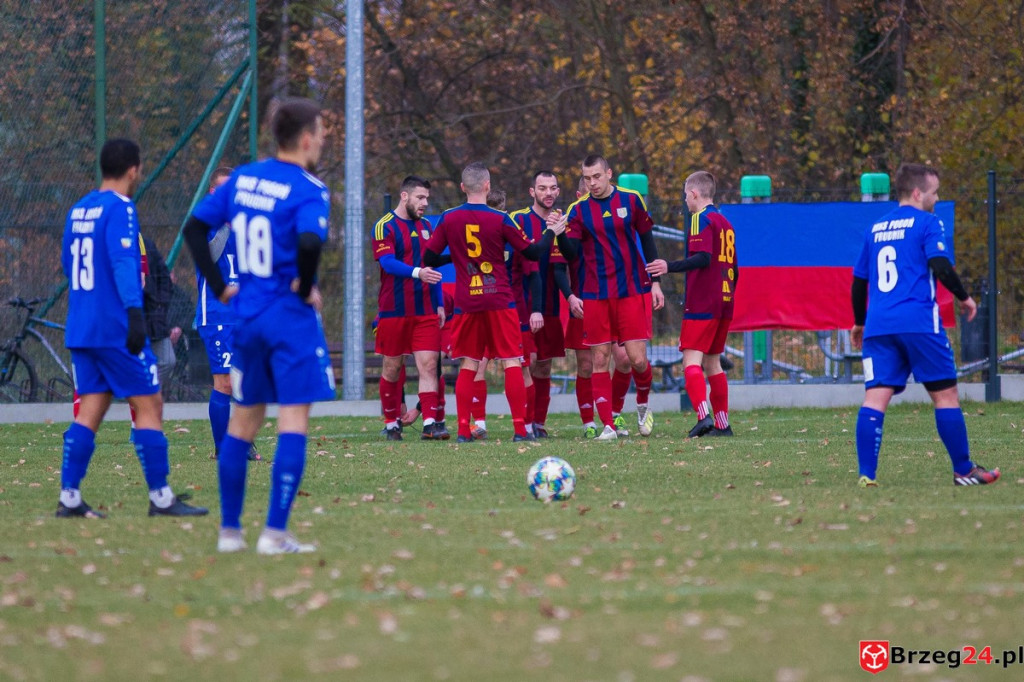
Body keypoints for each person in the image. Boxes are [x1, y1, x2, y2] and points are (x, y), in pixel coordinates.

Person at [184, 97, 335, 554]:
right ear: (307, 138)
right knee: (292, 420)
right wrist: (305, 286)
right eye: (323, 134)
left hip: (245, 318)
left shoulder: (244, 178)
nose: (323, 142)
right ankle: (274, 533)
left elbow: (193, 229)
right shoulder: (309, 187)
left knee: (243, 422)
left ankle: (230, 533)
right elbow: (309, 241)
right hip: (289, 320)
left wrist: (219, 287)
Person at [57, 138, 208, 519]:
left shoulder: (78, 210)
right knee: (150, 404)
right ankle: (161, 498)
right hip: (114, 328)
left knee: (90, 408)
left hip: (81, 327)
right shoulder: (121, 208)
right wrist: (134, 314)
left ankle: (70, 498)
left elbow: (67, 262)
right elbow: (126, 263)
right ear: (133, 169)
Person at [849, 163, 998, 487]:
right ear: (917, 193)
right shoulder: (928, 222)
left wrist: (860, 322)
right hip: (918, 322)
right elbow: (940, 263)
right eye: (934, 192)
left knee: (875, 398)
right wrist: (964, 297)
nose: (937, 197)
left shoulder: (875, 228)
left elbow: (859, 282)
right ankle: (963, 470)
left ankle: (866, 475)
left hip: (879, 326)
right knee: (946, 396)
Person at [423, 162, 561, 442]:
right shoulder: (501, 219)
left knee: (470, 363)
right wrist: (552, 231)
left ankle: (463, 430)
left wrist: (458, 259)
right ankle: (520, 430)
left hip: (467, 302)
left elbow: (428, 259)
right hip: (499, 299)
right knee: (511, 361)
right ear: (487, 186)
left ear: (463, 188)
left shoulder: (448, 218)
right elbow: (532, 252)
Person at [550, 155, 663, 441]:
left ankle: (642, 405)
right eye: (587, 179)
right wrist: (560, 233)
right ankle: (607, 425)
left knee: (636, 360)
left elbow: (648, 240)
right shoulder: (578, 210)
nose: (592, 183)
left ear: (609, 173)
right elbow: (572, 253)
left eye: (597, 177)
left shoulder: (632, 199)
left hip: (632, 289)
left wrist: (657, 283)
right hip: (597, 294)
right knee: (599, 359)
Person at [647, 170, 738, 438]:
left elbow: (703, 258)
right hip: (724, 301)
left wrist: (668, 266)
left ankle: (703, 417)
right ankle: (723, 425)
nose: (685, 200)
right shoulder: (725, 222)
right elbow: (734, 266)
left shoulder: (700, 219)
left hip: (703, 302)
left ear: (695, 193)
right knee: (713, 364)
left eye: (686, 194)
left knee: (691, 361)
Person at [372, 175, 447, 441]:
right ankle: (392, 422)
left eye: (427, 197)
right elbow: (388, 263)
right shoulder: (384, 226)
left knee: (428, 365)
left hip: (425, 309)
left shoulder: (428, 226)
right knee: (392, 368)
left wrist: (438, 303)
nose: (425, 203)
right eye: (420, 197)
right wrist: (418, 273)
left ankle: (429, 423)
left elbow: (432, 266)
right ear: (404, 196)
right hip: (393, 310)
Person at [192, 166, 259, 460]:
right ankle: (225, 448)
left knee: (246, 381)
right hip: (217, 313)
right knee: (225, 383)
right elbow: (211, 254)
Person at [511, 171, 562, 438]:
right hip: (525, 305)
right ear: (532, 192)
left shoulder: (563, 220)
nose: (548, 193)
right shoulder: (518, 219)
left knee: (544, 364)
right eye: (542, 188)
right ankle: (525, 421)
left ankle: (539, 423)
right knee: (526, 363)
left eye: (553, 188)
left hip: (552, 304)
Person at [142, 235, 176, 387]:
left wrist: (160, 305)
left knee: (168, 360)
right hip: (126, 319)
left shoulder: (146, 244)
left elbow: (164, 278)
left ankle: (146, 393)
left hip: (153, 318)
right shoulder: (112, 245)